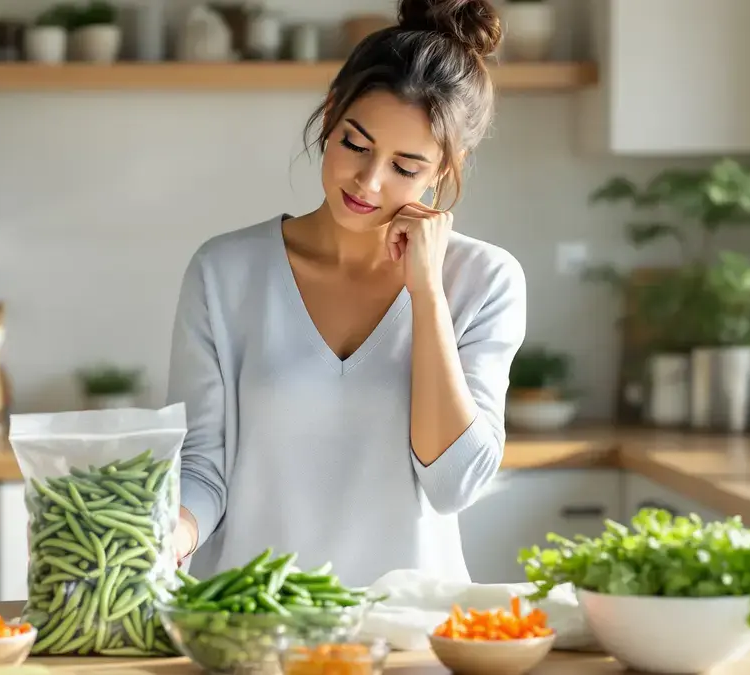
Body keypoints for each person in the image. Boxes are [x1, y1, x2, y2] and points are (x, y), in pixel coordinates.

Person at [165, 0, 527, 588]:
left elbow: (455, 483)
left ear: (443, 169)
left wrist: (427, 294)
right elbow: (203, 468)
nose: (368, 181)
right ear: (331, 114)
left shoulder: (485, 282)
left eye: (405, 166)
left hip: (411, 638)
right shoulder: (224, 272)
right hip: (252, 632)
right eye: (356, 145)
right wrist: (170, 535)